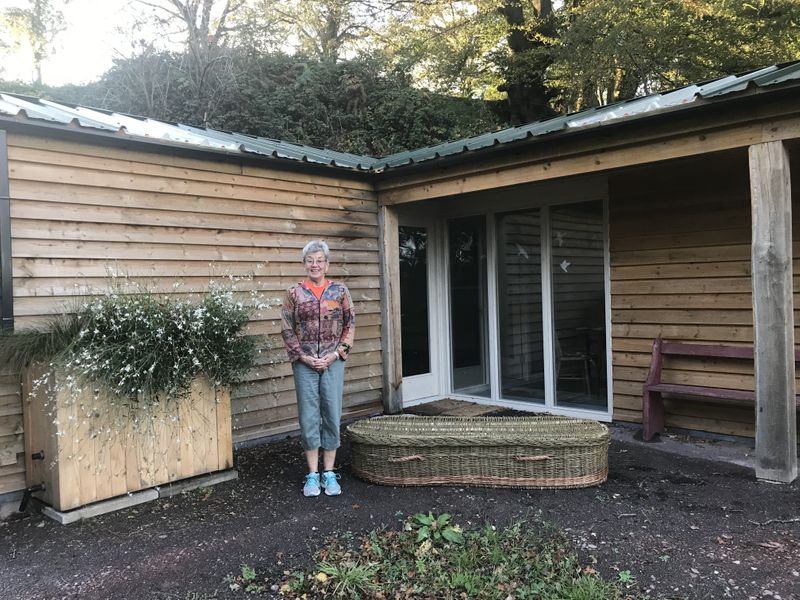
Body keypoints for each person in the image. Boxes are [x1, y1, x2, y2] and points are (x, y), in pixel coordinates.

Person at [281, 240, 355, 497]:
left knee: (332, 414)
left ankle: (330, 473)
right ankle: (312, 474)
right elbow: (287, 328)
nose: (315, 265)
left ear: (327, 264)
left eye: (319, 260)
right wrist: (302, 356)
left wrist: (336, 354)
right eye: (310, 260)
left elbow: (350, 324)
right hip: (305, 364)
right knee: (309, 416)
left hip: (333, 363)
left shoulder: (340, 291)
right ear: (304, 264)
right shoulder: (294, 293)